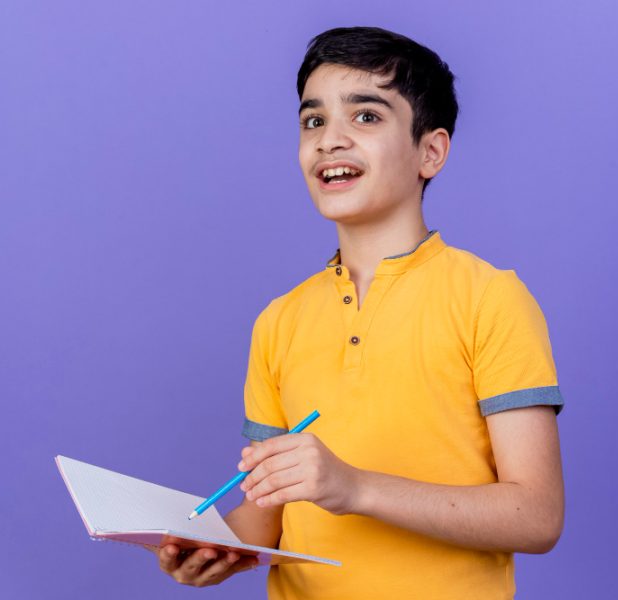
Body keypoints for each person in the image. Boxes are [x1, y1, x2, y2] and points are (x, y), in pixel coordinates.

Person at [153, 26, 566, 599]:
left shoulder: (490, 298)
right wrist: (216, 547)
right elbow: (266, 514)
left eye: (366, 117)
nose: (329, 140)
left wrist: (355, 488)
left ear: (431, 151)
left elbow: (537, 515)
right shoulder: (280, 321)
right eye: (313, 120)